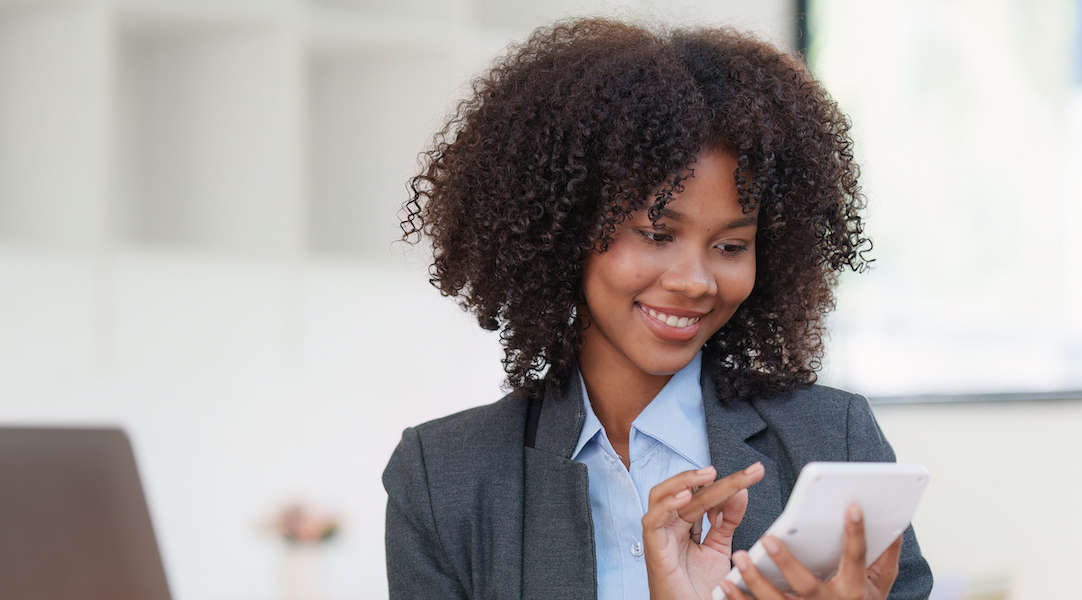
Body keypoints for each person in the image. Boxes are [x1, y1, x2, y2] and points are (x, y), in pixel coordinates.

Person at [384, 17, 932, 600]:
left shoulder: (832, 441)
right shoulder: (443, 479)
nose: (695, 282)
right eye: (656, 234)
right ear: (564, 229)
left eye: (730, 246)